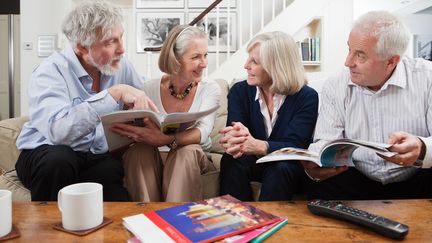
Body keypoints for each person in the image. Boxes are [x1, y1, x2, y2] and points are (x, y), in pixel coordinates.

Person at [15, 0, 157, 201]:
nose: (122, 49)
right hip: (44, 154)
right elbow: (59, 133)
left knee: (110, 173)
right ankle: (48, 230)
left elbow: (147, 92)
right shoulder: (49, 72)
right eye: (110, 42)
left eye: (121, 38)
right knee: (59, 160)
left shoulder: (120, 65)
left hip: (92, 156)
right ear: (82, 47)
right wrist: (113, 94)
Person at [302, 11, 432, 200]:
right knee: (314, 185)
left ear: (391, 61)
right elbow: (327, 141)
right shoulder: (336, 85)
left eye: (360, 56)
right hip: (355, 177)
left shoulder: (427, 78)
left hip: (418, 177)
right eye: (349, 50)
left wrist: (423, 147)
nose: (348, 62)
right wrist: (316, 162)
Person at [110, 25, 220, 202]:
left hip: (192, 156)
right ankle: (146, 218)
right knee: (138, 152)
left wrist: (165, 139)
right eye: (196, 57)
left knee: (185, 152)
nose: (204, 63)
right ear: (175, 59)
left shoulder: (210, 89)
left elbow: (204, 131)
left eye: (205, 55)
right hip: (153, 155)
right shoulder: (148, 88)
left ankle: (177, 222)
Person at [218, 31, 319, 201]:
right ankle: (234, 221)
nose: (246, 65)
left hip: (288, 166)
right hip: (252, 162)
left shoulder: (306, 96)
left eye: (254, 61)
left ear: (276, 66)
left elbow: (296, 146)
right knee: (231, 160)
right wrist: (233, 140)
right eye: (248, 58)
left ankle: (271, 224)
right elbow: (236, 135)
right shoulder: (239, 91)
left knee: (280, 168)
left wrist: (260, 146)